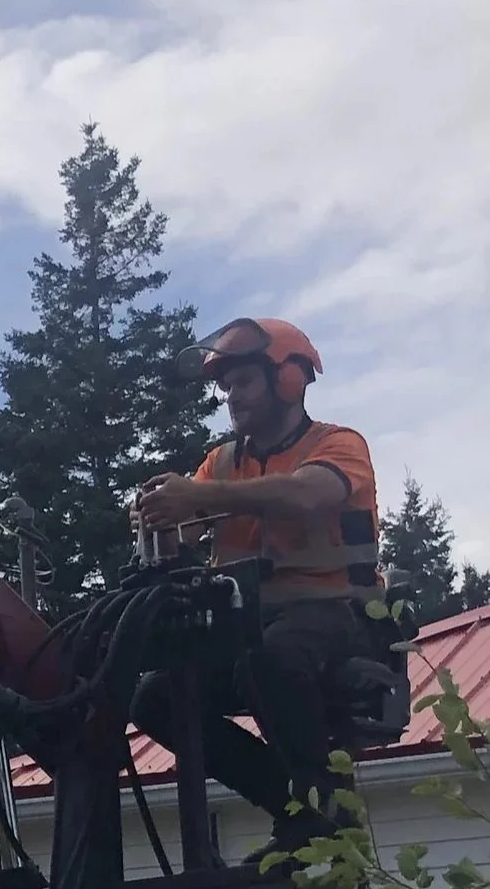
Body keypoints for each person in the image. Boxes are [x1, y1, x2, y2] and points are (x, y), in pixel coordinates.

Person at [130, 316, 382, 858]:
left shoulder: (338, 445)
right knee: (155, 697)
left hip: (338, 615)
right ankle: (297, 810)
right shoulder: (222, 463)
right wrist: (161, 524)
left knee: (269, 658)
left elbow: (304, 495)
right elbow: (188, 528)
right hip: (248, 627)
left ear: (289, 379)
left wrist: (200, 499)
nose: (230, 397)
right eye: (225, 388)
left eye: (242, 382)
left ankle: (327, 810)